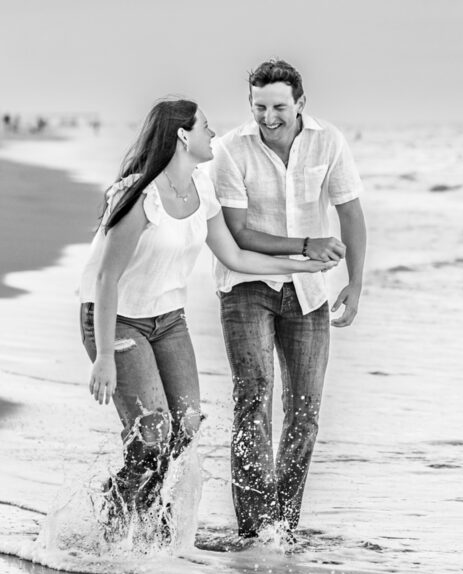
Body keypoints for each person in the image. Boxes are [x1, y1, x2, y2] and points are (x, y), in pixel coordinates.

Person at [77, 98, 335, 541]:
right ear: (182, 136)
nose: (212, 134)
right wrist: (103, 356)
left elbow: (234, 255)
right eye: (204, 127)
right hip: (116, 319)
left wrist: (301, 264)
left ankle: (149, 516)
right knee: (153, 433)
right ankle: (121, 512)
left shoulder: (201, 188)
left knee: (187, 425)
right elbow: (105, 278)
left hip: (168, 322)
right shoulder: (139, 196)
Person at [211, 59, 368, 539]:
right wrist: (305, 246)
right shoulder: (229, 150)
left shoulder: (329, 141)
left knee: (305, 411)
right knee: (253, 398)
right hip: (247, 288)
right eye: (259, 106)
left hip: (310, 294)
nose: (269, 117)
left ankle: (283, 526)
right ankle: (253, 529)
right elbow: (239, 233)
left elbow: (351, 214)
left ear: (301, 103)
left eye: (279, 106)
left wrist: (356, 283)